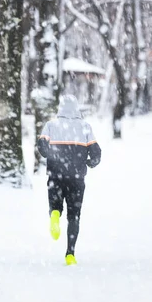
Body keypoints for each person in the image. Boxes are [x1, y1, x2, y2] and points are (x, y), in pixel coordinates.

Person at [37, 94, 101, 265]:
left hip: (55, 175)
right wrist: (89, 162)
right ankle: (70, 253)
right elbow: (96, 153)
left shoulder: (51, 125)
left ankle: (55, 215)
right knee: (74, 216)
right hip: (77, 178)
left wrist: (52, 156)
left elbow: (41, 146)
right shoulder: (85, 127)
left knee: (55, 204)